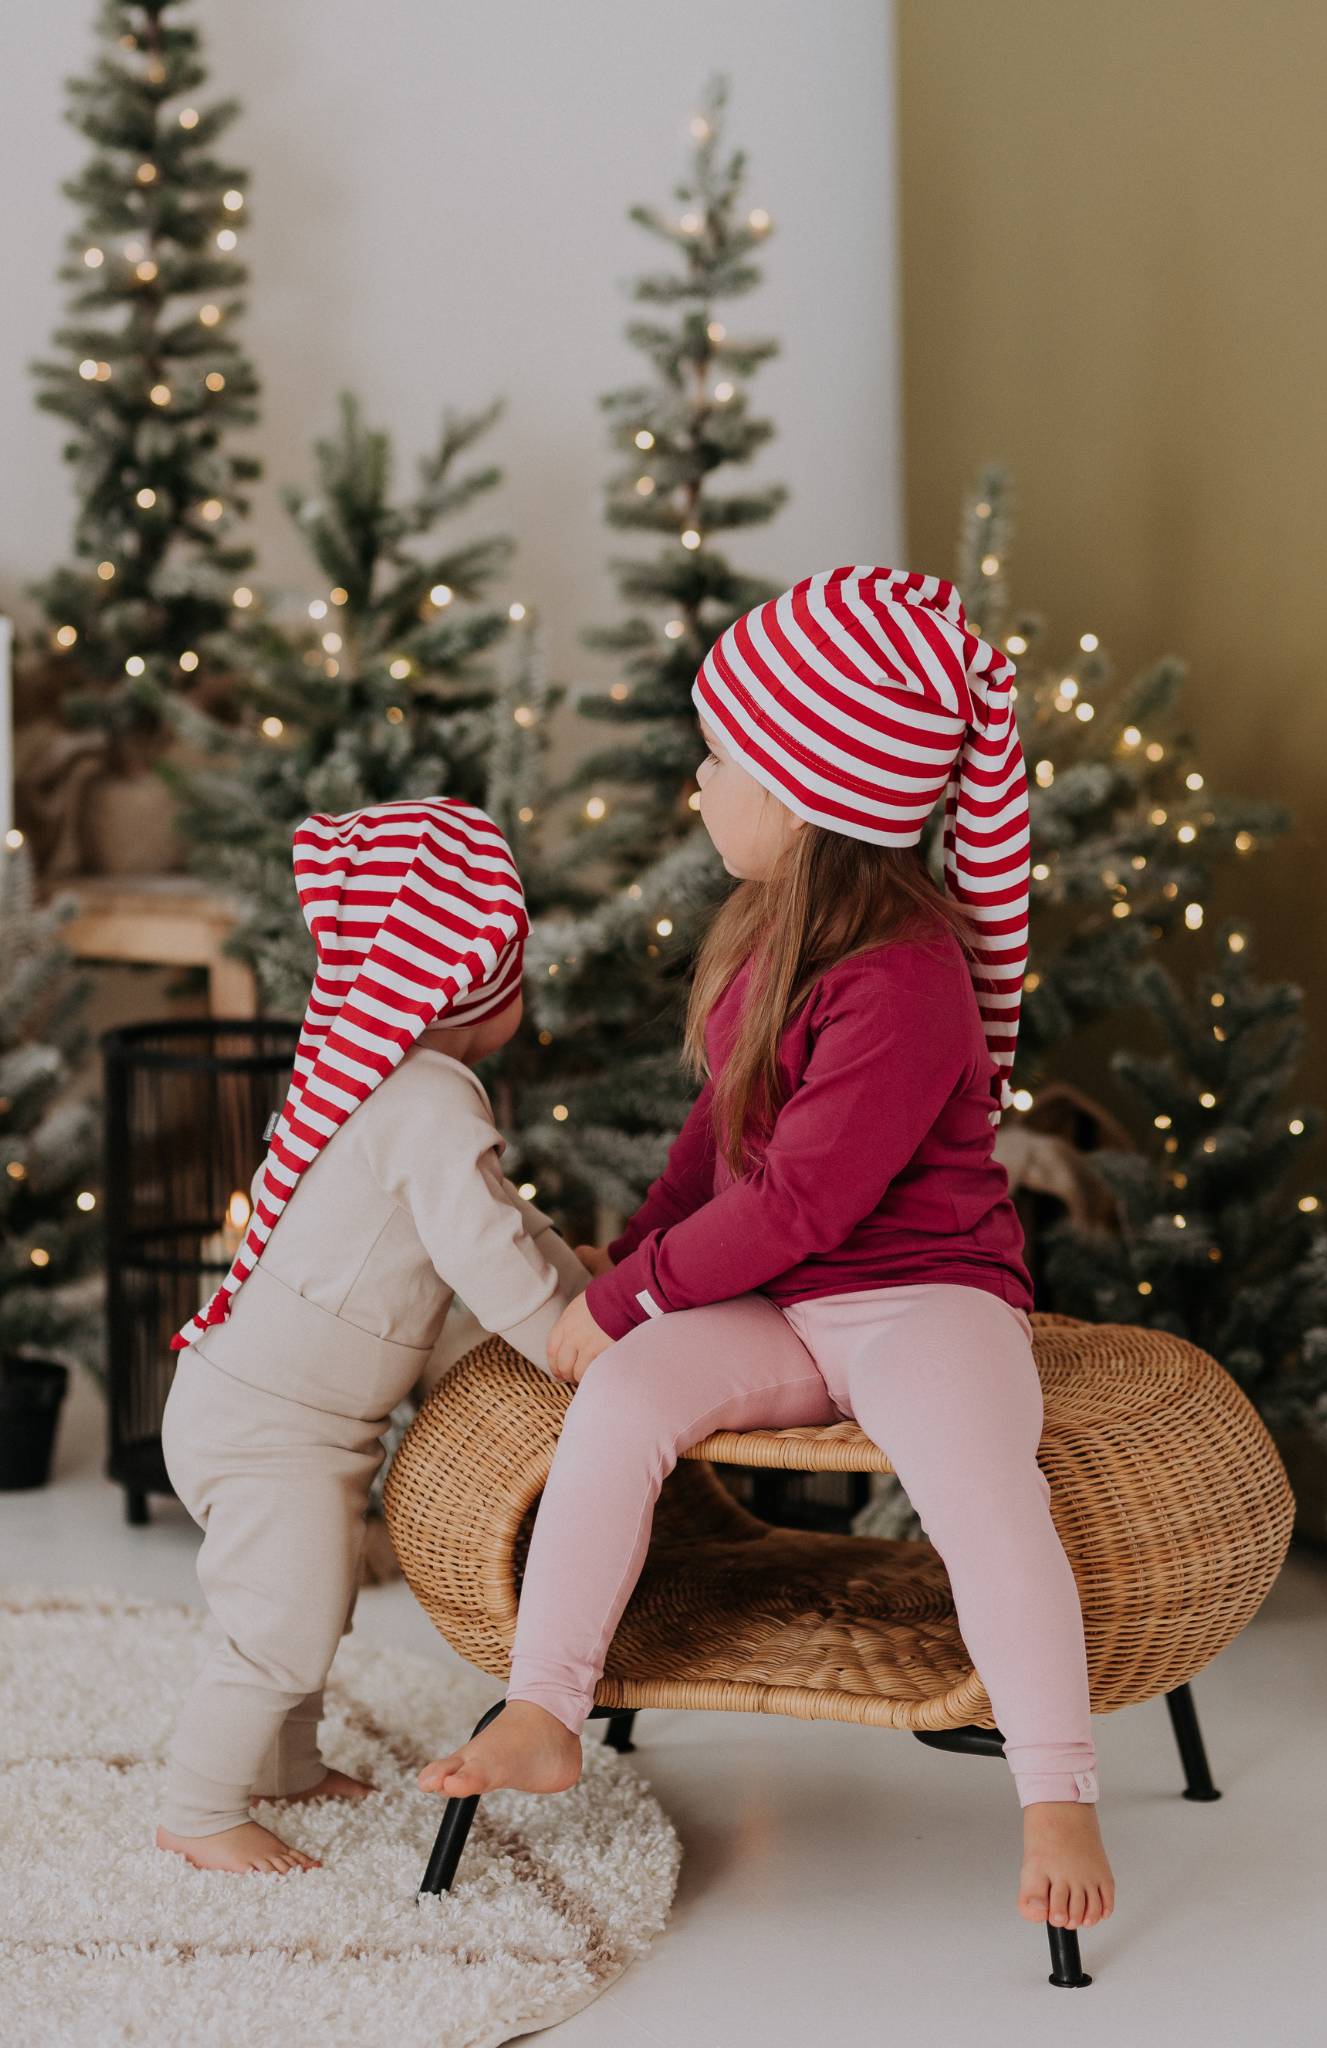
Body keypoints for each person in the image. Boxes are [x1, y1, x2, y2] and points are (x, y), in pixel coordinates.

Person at [416, 566, 1116, 1935]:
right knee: (619, 1402)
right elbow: (718, 1146)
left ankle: (1056, 1782)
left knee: (978, 1483)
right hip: (784, 1302)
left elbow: (801, 1199)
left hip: (922, 1298)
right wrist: (634, 1270)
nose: (698, 786)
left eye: (717, 759)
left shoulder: (908, 978)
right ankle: (547, 1701)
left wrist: (628, 1295)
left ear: (808, 791)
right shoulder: (766, 941)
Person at [155, 797, 589, 1875]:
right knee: (283, 1619)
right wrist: (568, 1340)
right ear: (475, 978)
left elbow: (511, 1220)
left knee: (314, 1596)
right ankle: (198, 1804)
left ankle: (286, 1761)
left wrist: (596, 1294)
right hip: (267, 1423)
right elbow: (488, 1255)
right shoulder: (429, 1098)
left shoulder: (389, 1079)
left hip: (284, 1414)